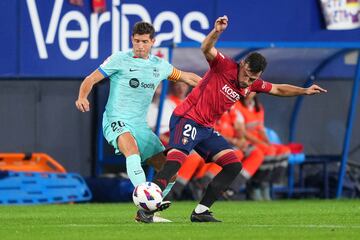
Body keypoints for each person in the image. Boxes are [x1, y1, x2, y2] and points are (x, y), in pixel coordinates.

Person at [151, 15, 327, 222]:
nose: (247, 82)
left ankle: (201, 211)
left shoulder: (253, 83)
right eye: (247, 75)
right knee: (177, 160)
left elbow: (278, 88)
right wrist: (217, 31)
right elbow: (206, 48)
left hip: (206, 128)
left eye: (253, 79)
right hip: (187, 117)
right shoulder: (224, 65)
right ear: (242, 64)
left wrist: (304, 90)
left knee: (233, 164)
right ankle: (147, 209)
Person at [75, 21, 201, 223]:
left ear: (153, 42)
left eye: (144, 41)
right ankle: (145, 202)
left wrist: (214, 88)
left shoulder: (159, 66)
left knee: (170, 168)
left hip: (140, 126)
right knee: (131, 151)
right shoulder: (119, 59)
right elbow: (90, 79)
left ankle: (146, 213)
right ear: (132, 40)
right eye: (136, 41)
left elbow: (188, 78)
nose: (140, 45)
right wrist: (82, 97)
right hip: (116, 120)